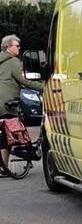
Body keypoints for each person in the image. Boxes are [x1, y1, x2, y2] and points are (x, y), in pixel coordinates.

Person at [0, 35, 44, 171]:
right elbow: (23, 81)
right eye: (17, 46)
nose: (19, 48)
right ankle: (4, 166)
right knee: (9, 135)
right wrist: (44, 88)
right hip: (7, 102)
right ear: (8, 47)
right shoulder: (13, 61)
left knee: (3, 133)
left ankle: (4, 166)